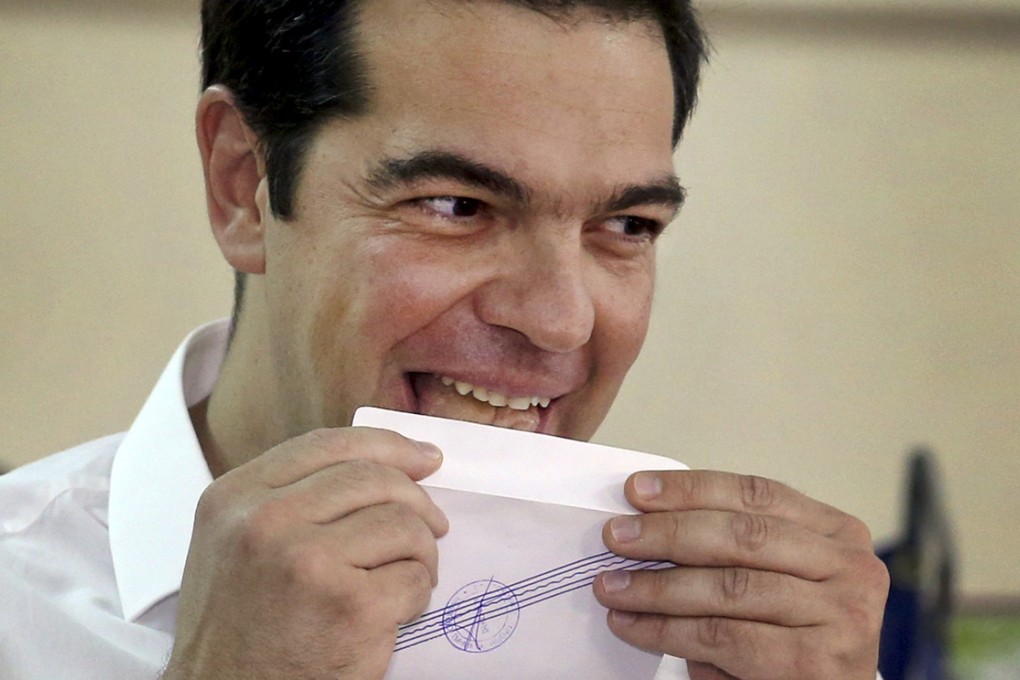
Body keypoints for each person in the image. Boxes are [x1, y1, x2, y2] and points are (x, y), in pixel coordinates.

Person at [0, 0, 890, 678]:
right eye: (456, 208)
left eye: (626, 224)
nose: (560, 320)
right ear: (245, 186)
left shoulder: (727, 650)